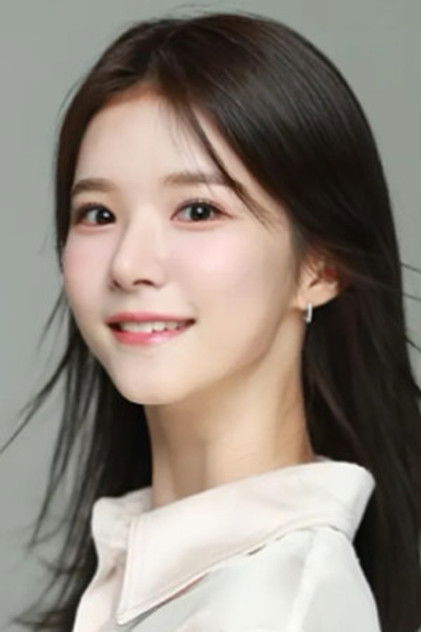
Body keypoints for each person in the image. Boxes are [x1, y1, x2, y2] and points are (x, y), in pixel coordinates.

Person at [7, 9, 421, 632]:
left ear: (322, 266)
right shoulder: (150, 574)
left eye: (198, 210)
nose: (129, 265)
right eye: (98, 214)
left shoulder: (283, 607)